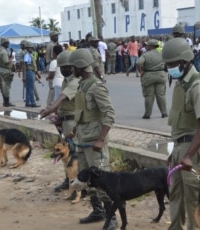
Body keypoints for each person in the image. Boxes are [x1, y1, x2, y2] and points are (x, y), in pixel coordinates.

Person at [162, 38, 200, 230]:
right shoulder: (181, 84)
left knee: (193, 198)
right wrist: (175, 152)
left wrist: (188, 155)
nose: (169, 68)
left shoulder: (198, 86)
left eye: (172, 64)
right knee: (175, 194)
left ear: (184, 62)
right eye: (167, 65)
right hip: (180, 146)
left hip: (193, 148)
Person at [69, 49, 117, 228]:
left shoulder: (96, 86)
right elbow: (81, 113)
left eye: (73, 66)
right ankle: (98, 211)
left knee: (103, 179)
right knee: (87, 179)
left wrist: (101, 139)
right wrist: (74, 130)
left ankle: (112, 217)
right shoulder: (82, 85)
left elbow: (110, 114)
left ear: (80, 66)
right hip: (83, 140)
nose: (70, 69)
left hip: (94, 142)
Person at [40, 50, 79, 191]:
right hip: (65, 121)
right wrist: (55, 114)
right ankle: (68, 180)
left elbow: (63, 97)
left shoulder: (75, 81)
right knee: (66, 155)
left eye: (67, 67)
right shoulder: (67, 80)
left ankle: (77, 185)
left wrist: (50, 109)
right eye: (62, 68)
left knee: (74, 155)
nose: (64, 70)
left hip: (72, 122)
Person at [136, 39, 168, 119]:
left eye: (147, 45)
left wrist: (141, 71)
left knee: (149, 96)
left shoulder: (146, 54)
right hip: (161, 75)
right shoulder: (162, 53)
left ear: (150, 46)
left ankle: (147, 114)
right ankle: (164, 113)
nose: (146, 46)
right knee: (161, 95)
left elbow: (138, 63)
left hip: (149, 76)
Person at [0, 38, 15, 107]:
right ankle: (6, 102)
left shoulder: (0, 50)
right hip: (5, 69)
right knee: (7, 86)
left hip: (1, 69)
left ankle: (6, 101)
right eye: (6, 43)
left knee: (5, 86)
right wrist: (11, 59)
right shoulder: (3, 51)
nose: (8, 44)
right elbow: (6, 62)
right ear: (3, 43)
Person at [22, 42, 41, 108]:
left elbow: (33, 65)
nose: (32, 49)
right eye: (31, 48)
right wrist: (24, 75)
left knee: (28, 88)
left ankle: (28, 102)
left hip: (32, 71)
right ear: (27, 48)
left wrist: (37, 73)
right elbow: (24, 65)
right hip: (29, 72)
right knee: (31, 88)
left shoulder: (31, 54)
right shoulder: (27, 55)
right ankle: (33, 103)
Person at [46, 31, 59, 106]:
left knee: (54, 86)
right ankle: (49, 105)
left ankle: (51, 104)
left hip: (52, 64)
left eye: (57, 36)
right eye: (55, 36)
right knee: (52, 87)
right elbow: (53, 56)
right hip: (52, 64)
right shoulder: (51, 45)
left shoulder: (53, 44)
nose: (57, 37)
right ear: (51, 37)